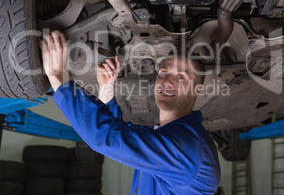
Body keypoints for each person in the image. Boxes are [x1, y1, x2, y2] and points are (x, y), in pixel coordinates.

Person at [40, 30, 221, 194]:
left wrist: (58, 76)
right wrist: (106, 88)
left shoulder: (187, 148)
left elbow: (104, 138)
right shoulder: (172, 138)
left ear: (196, 90)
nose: (167, 82)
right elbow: (117, 134)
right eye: (164, 73)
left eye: (180, 77)